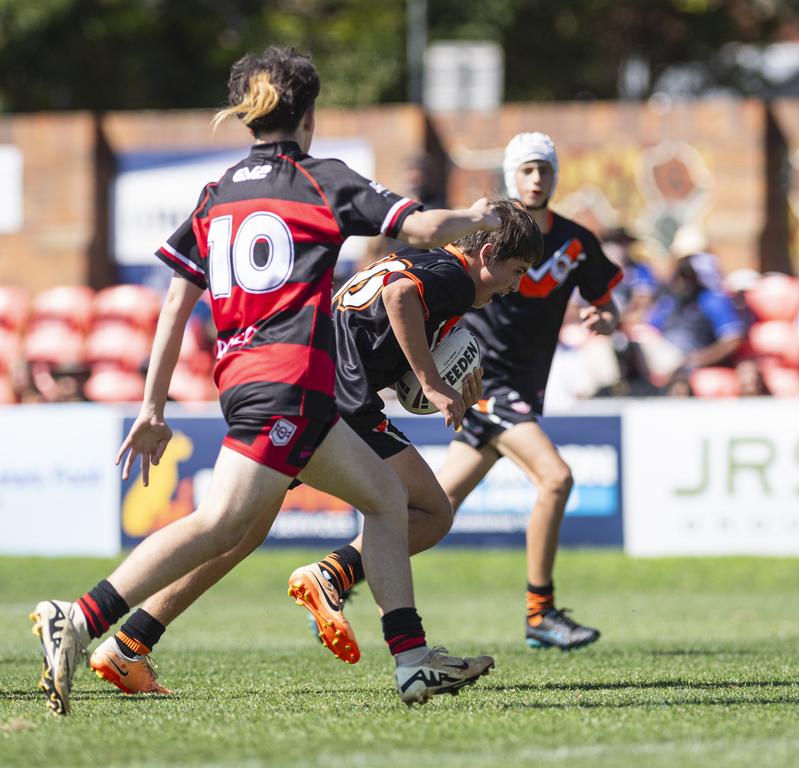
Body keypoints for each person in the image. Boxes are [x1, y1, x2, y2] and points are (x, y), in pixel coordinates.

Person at [30, 45, 502, 715]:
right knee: (224, 523)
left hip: (248, 379)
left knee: (384, 501)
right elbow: (420, 227)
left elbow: (175, 301)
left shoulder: (217, 192)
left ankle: (413, 659)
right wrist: (479, 219)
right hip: (292, 379)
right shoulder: (319, 179)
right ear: (308, 115)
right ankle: (76, 618)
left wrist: (152, 405)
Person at [87, 199, 543, 693]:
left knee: (237, 533)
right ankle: (340, 582)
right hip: (340, 401)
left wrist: (433, 375)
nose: (515, 286)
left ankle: (129, 643)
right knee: (430, 510)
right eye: (516, 272)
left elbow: (390, 307)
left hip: (308, 385)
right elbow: (399, 298)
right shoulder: (453, 276)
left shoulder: (425, 258)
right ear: (488, 253)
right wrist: (432, 382)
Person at [439, 132, 622, 650]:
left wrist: (605, 318)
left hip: (521, 388)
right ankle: (540, 613)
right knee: (556, 478)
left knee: (432, 507)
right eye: (527, 170)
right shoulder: (485, 231)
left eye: (544, 169)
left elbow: (608, 301)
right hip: (485, 382)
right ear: (509, 176)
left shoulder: (575, 241)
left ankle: (337, 572)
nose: (537, 179)